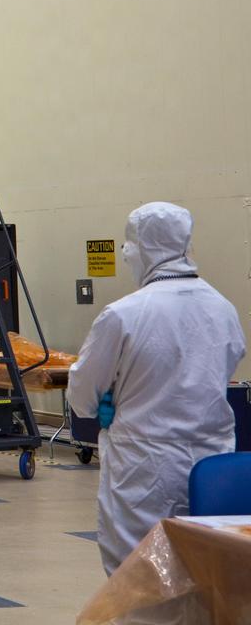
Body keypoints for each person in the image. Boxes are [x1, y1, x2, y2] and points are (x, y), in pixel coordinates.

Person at [69, 202, 247, 575]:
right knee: (206, 576)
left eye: (128, 246)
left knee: (141, 581)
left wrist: (110, 399)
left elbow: (82, 397)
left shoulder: (123, 315)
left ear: (143, 248)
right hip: (212, 468)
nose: (125, 255)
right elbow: (220, 370)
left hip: (143, 471)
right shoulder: (223, 308)